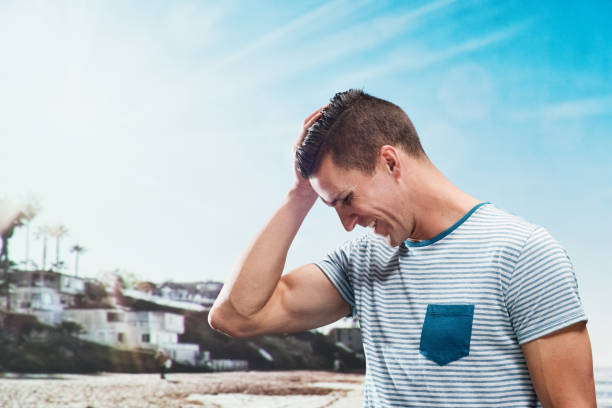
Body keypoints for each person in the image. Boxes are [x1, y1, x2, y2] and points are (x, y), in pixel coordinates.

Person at [209, 89, 596, 407]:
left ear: (390, 162)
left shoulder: (523, 254)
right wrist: (298, 197)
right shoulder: (360, 261)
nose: (346, 224)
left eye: (346, 199)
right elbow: (236, 316)